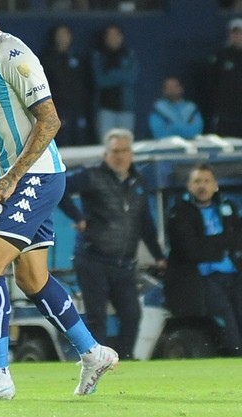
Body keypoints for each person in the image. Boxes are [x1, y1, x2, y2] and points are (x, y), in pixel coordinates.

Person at [0, 0, 117, 402]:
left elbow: (50, 121)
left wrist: (12, 177)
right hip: (30, 177)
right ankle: (93, 353)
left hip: (36, 177)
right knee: (32, 277)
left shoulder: (14, 55)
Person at [59, 128, 167, 361]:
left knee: (131, 315)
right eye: (115, 151)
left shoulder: (138, 180)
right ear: (106, 154)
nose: (120, 156)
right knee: (97, 317)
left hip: (124, 262)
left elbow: (145, 221)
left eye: (125, 151)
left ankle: (124, 359)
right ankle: (96, 362)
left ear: (131, 153)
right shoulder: (91, 175)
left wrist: (158, 255)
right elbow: (61, 188)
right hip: (93, 259)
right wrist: (77, 217)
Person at [165, 164, 242, 356]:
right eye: (197, 181)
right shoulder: (179, 211)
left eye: (207, 181)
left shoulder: (227, 207)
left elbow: (238, 239)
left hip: (233, 274)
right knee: (226, 318)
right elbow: (189, 249)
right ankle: (236, 357)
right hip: (203, 278)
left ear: (215, 185)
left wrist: (208, 243)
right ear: (189, 186)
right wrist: (223, 242)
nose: (202, 186)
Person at [39, 23, 90, 146]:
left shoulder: (77, 57)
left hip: (77, 108)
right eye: (60, 35)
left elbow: (84, 82)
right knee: (62, 141)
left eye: (65, 35)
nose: (63, 38)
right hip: (58, 109)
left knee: (80, 139)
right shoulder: (47, 59)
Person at [90, 23, 139, 143]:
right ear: (105, 38)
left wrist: (111, 74)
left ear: (121, 37)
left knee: (126, 146)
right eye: (110, 36)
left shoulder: (129, 55)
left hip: (126, 109)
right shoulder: (98, 56)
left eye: (116, 35)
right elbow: (100, 81)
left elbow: (132, 78)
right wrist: (121, 74)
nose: (113, 38)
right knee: (106, 147)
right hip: (105, 110)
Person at [207, 17, 242, 137]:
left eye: (240, 32)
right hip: (227, 113)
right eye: (235, 32)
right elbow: (213, 80)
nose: (238, 36)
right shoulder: (221, 55)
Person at [148, 76, 203, 140]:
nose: (172, 89)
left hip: (190, 146)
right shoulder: (158, 109)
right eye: (168, 87)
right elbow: (159, 133)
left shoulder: (191, 109)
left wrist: (170, 127)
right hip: (165, 147)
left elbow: (195, 131)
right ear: (164, 90)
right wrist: (184, 126)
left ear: (181, 88)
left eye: (175, 86)